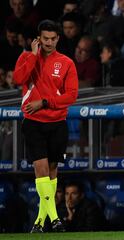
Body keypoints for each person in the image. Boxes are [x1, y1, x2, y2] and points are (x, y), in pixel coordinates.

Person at [13, 19, 78, 233]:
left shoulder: (67, 63)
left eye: (53, 39)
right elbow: (18, 78)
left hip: (57, 122)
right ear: (38, 38)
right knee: (40, 170)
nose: (49, 42)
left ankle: (40, 222)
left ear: (58, 39)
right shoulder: (27, 57)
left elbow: (71, 96)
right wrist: (32, 56)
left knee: (51, 171)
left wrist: (45, 102)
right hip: (33, 122)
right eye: (45, 38)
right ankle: (55, 218)